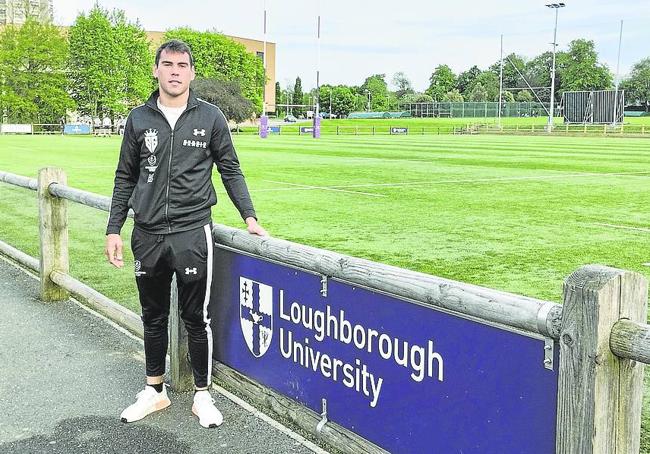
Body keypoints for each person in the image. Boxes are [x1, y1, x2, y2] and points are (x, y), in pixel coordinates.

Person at [104, 39, 267, 429]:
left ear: (192, 73)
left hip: (193, 233)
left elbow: (230, 169)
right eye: (167, 64)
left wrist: (249, 216)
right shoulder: (138, 119)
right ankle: (154, 392)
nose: (175, 71)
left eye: (182, 65)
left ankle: (202, 395)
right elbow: (124, 176)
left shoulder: (210, 118)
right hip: (147, 234)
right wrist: (114, 228)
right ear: (156, 70)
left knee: (196, 317)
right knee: (153, 316)